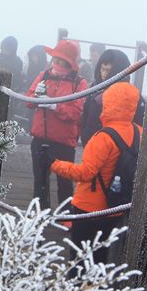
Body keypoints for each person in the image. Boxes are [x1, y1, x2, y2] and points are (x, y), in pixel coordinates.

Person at [45, 82, 142, 265]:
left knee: (79, 260)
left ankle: (77, 289)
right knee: (101, 258)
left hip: (89, 209)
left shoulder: (103, 137)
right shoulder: (140, 133)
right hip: (117, 207)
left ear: (108, 104)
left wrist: (53, 164)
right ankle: (98, 289)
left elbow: (85, 173)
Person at [25, 39, 88, 209]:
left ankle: (66, 218)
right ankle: (38, 218)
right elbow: (28, 102)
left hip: (64, 144)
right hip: (39, 139)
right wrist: (35, 96)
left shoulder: (80, 83)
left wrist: (53, 105)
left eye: (62, 61)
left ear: (70, 63)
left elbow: (75, 113)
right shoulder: (43, 75)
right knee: (40, 182)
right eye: (55, 59)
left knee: (65, 184)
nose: (57, 63)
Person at [80, 49, 146, 146]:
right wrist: (85, 137)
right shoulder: (94, 89)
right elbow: (85, 115)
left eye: (108, 70)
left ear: (119, 71)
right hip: (92, 145)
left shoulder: (131, 95)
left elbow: (138, 123)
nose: (104, 74)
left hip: (117, 149)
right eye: (102, 69)